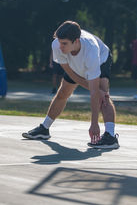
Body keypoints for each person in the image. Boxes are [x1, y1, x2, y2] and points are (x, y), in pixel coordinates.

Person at [22, 21, 119, 149]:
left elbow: (94, 92)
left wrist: (94, 123)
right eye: (60, 42)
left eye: (64, 43)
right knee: (63, 92)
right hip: (75, 64)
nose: (60, 47)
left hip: (101, 60)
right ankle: (44, 129)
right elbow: (69, 73)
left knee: (103, 97)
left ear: (76, 41)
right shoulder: (57, 44)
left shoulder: (92, 50)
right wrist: (93, 88)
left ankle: (110, 136)